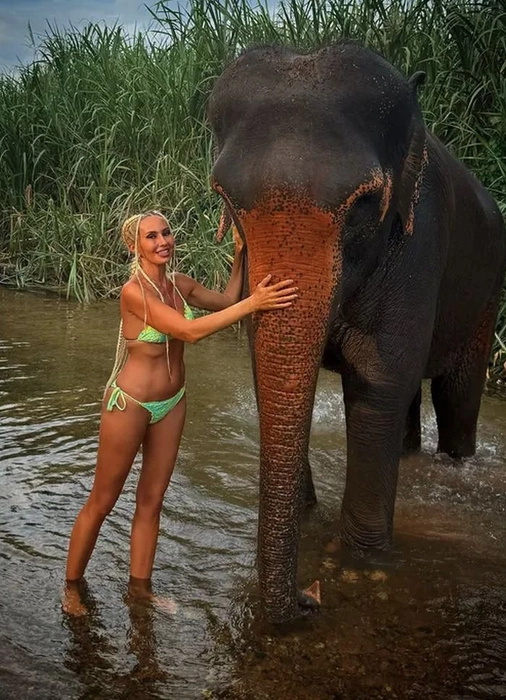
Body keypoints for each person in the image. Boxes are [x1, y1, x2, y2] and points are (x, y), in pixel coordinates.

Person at [63, 210, 297, 615]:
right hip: (130, 404)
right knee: (102, 501)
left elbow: (227, 300)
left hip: (172, 402)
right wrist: (256, 303)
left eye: (166, 233)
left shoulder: (180, 285)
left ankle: (140, 592)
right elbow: (190, 331)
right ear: (134, 246)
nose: (162, 242)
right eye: (151, 236)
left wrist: (239, 256)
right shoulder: (134, 293)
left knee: (152, 500)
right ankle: (71, 587)